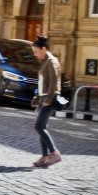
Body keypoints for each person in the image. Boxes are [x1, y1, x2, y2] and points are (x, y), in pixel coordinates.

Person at [31, 35, 63, 168]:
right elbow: (42, 83)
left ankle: (54, 153)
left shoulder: (51, 61)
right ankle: (44, 156)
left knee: (38, 126)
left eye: (36, 51)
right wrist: (37, 98)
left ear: (43, 48)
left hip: (50, 98)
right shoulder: (44, 61)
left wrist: (48, 100)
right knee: (42, 127)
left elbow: (54, 83)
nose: (35, 54)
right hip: (43, 98)